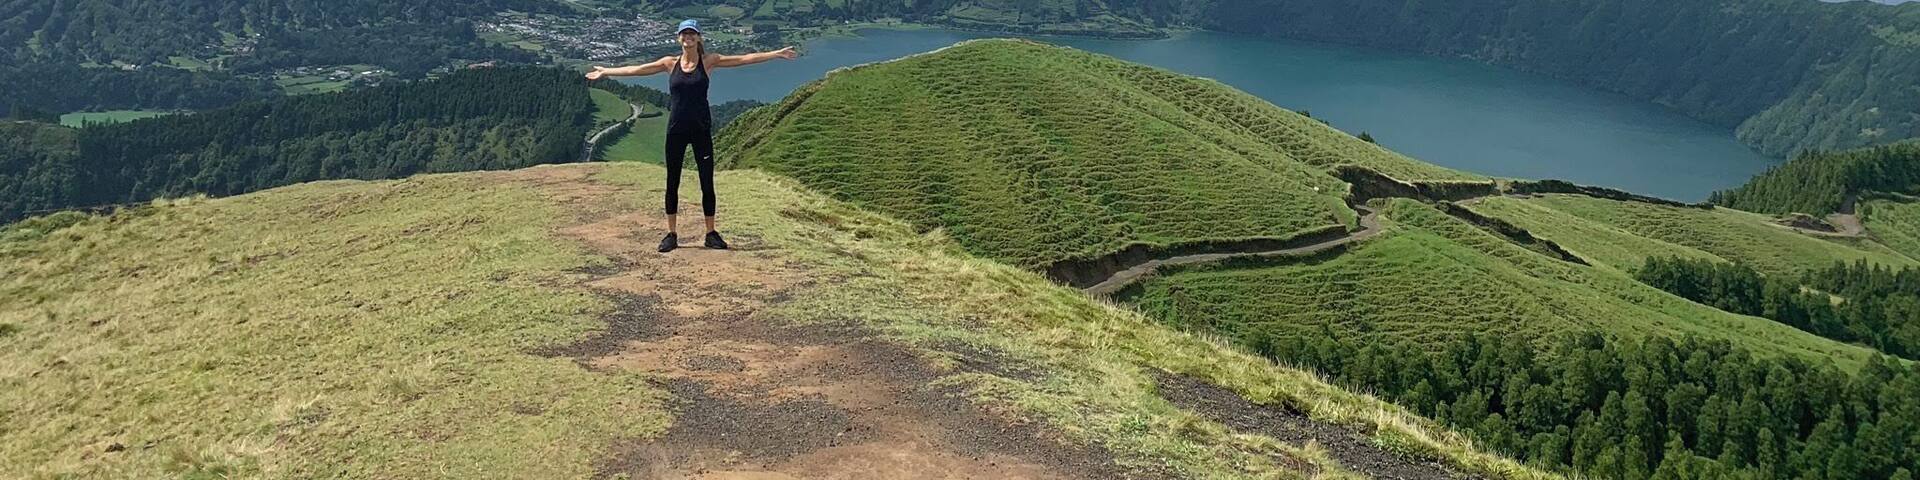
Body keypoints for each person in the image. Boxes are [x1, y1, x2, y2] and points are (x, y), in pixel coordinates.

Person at [586, 19, 797, 252]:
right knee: (672, 182)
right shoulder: (669, 63)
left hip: (700, 130)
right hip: (676, 130)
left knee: (707, 182)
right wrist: (606, 72)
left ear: (698, 38)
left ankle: (710, 233)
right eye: (684, 34)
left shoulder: (709, 62)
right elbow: (638, 69)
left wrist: (776, 53)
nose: (688, 37)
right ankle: (671, 234)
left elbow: (743, 59)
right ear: (679, 38)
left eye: (692, 34)